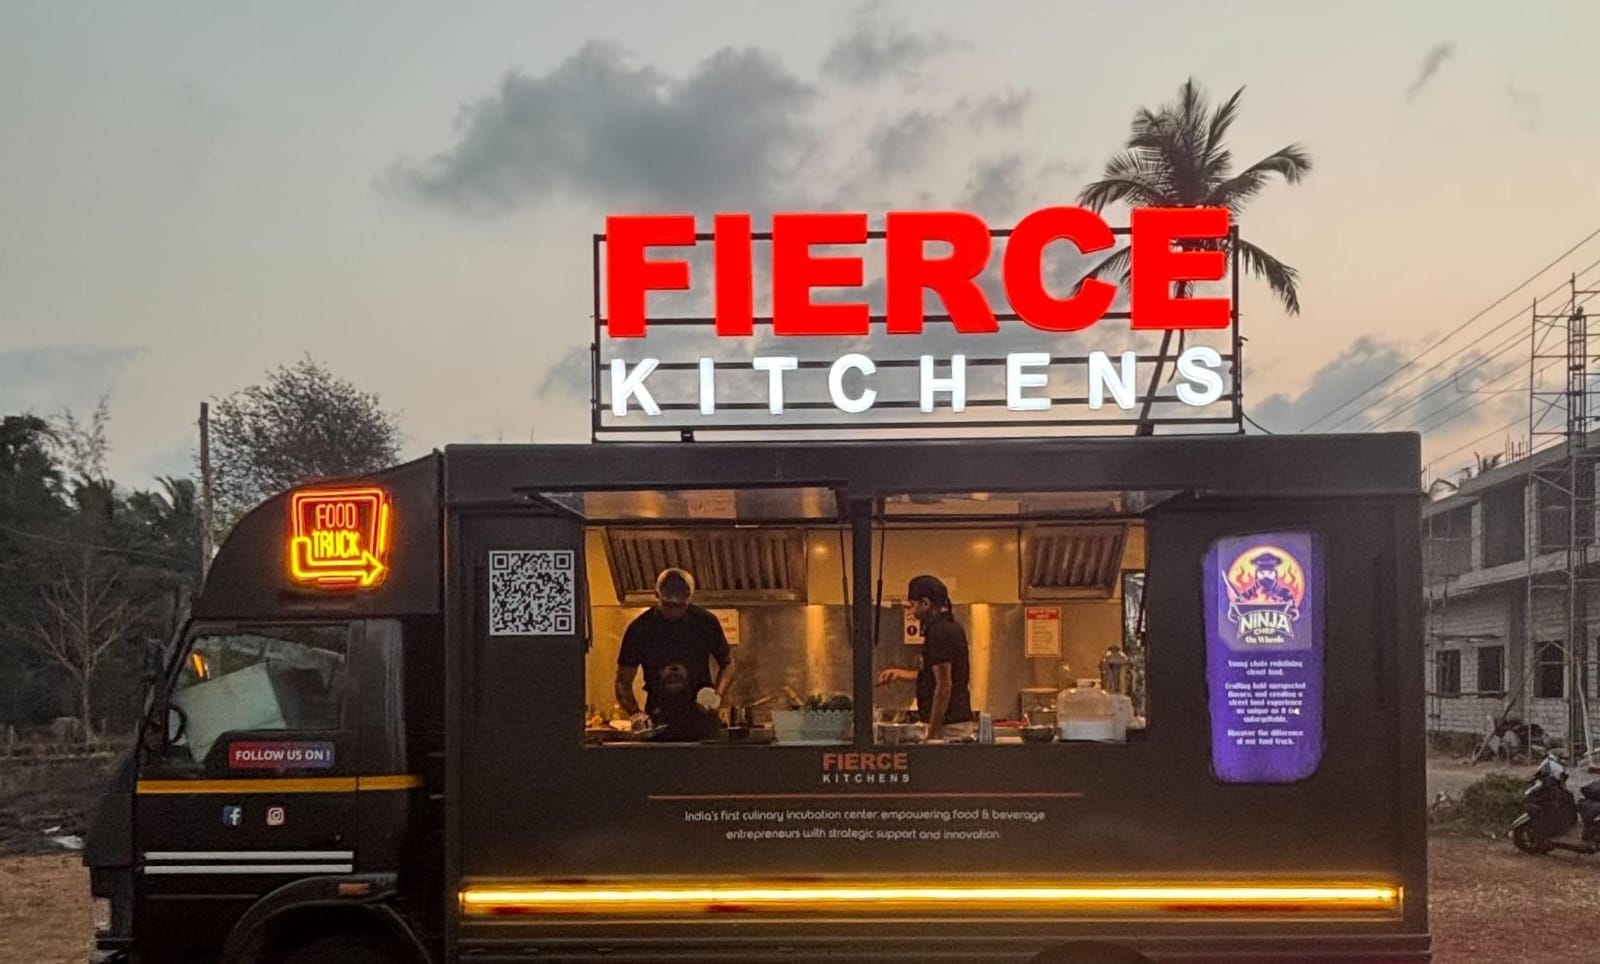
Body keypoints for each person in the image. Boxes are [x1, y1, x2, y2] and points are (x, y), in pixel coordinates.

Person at [615, 568, 733, 742]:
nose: (674, 612)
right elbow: (622, 682)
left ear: (690, 598)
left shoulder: (705, 623)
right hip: (658, 723)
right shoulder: (640, 629)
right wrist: (636, 713)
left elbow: (728, 664)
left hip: (701, 723)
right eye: (668, 605)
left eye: (680, 606)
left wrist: (716, 695)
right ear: (656, 595)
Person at [875, 575, 973, 742]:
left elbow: (944, 685)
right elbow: (935, 675)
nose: (911, 612)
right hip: (955, 723)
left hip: (947, 728)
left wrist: (933, 733)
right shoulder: (952, 627)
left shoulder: (939, 632)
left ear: (925, 603)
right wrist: (901, 674)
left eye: (913, 605)